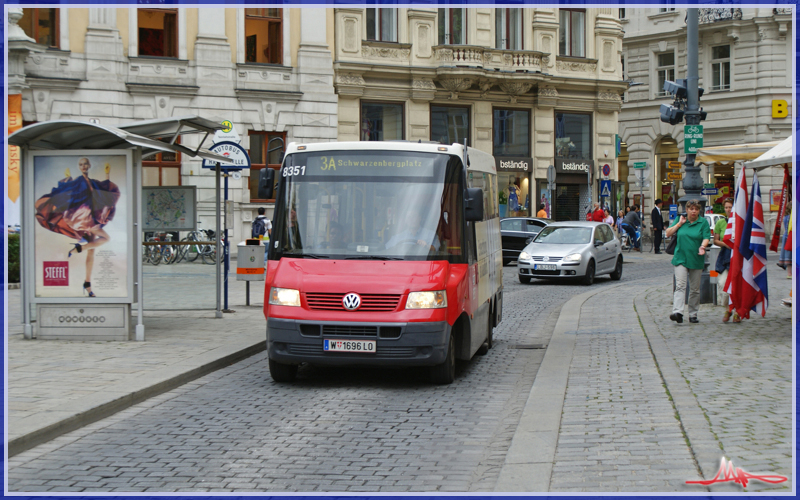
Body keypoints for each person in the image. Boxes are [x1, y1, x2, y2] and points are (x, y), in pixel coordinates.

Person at [35, 157, 120, 297]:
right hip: (83, 219)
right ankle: (79, 248)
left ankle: (87, 284)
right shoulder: (77, 182)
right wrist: (67, 179)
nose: (84, 166)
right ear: (79, 167)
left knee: (92, 251)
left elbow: (105, 192)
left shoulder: (92, 182)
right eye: (81, 164)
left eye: (85, 164)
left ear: (89, 165)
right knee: (106, 238)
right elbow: (65, 192)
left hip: (89, 218)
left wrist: (107, 175)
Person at [666, 200, 711, 324]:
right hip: (681, 257)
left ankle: (693, 313)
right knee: (680, 286)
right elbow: (668, 233)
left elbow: (706, 237)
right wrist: (679, 224)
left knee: (695, 289)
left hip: (696, 258)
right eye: (691, 209)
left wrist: (702, 246)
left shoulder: (703, 223)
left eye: (696, 209)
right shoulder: (681, 220)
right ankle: (678, 312)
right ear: (686, 210)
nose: (693, 211)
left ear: (699, 211)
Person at [713, 199, 737, 322]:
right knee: (723, 283)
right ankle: (728, 309)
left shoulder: (738, 221)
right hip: (725, 255)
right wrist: (725, 244)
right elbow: (715, 240)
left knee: (737, 285)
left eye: (730, 207)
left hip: (737, 256)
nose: (728, 209)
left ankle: (737, 311)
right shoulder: (721, 222)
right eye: (726, 207)